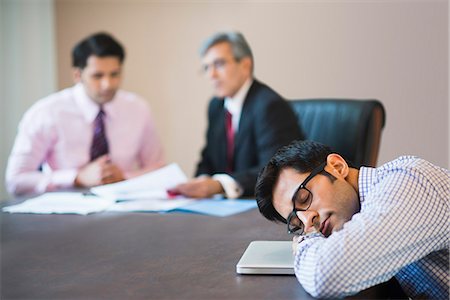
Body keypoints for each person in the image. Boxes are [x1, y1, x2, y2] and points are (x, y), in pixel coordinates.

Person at [255, 140, 449, 299]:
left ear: (337, 167)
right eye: (297, 223)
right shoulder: (362, 213)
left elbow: (327, 276)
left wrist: (305, 242)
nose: (308, 220)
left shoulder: (408, 182)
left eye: (304, 199)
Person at [6, 32, 165, 195]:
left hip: (124, 209)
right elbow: (15, 180)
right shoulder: (46, 113)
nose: (107, 84)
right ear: (77, 75)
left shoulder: (138, 109)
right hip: (63, 212)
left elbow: (158, 169)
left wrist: (124, 177)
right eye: (98, 76)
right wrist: (76, 178)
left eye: (115, 74)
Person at [172, 31, 303, 199]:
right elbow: (208, 158)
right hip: (225, 207)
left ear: (245, 65)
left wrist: (219, 185)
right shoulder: (216, 106)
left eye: (219, 64)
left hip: (260, 206)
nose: (211, 75)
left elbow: (275, 170)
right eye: (206, 67)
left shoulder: (269, 105)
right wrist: (202, 179)